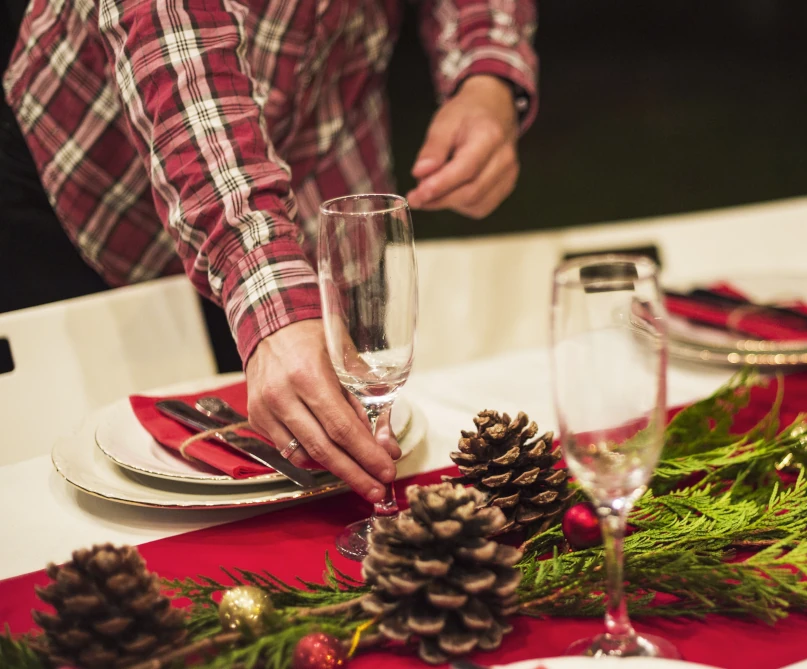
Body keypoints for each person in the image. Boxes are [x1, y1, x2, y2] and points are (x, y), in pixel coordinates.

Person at [0, 0, 538, 502]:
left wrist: (487, 72)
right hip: (94, 174)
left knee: (304, 457)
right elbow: (178, 50)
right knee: (86, 475)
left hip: (321, 148)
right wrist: (265, 292)